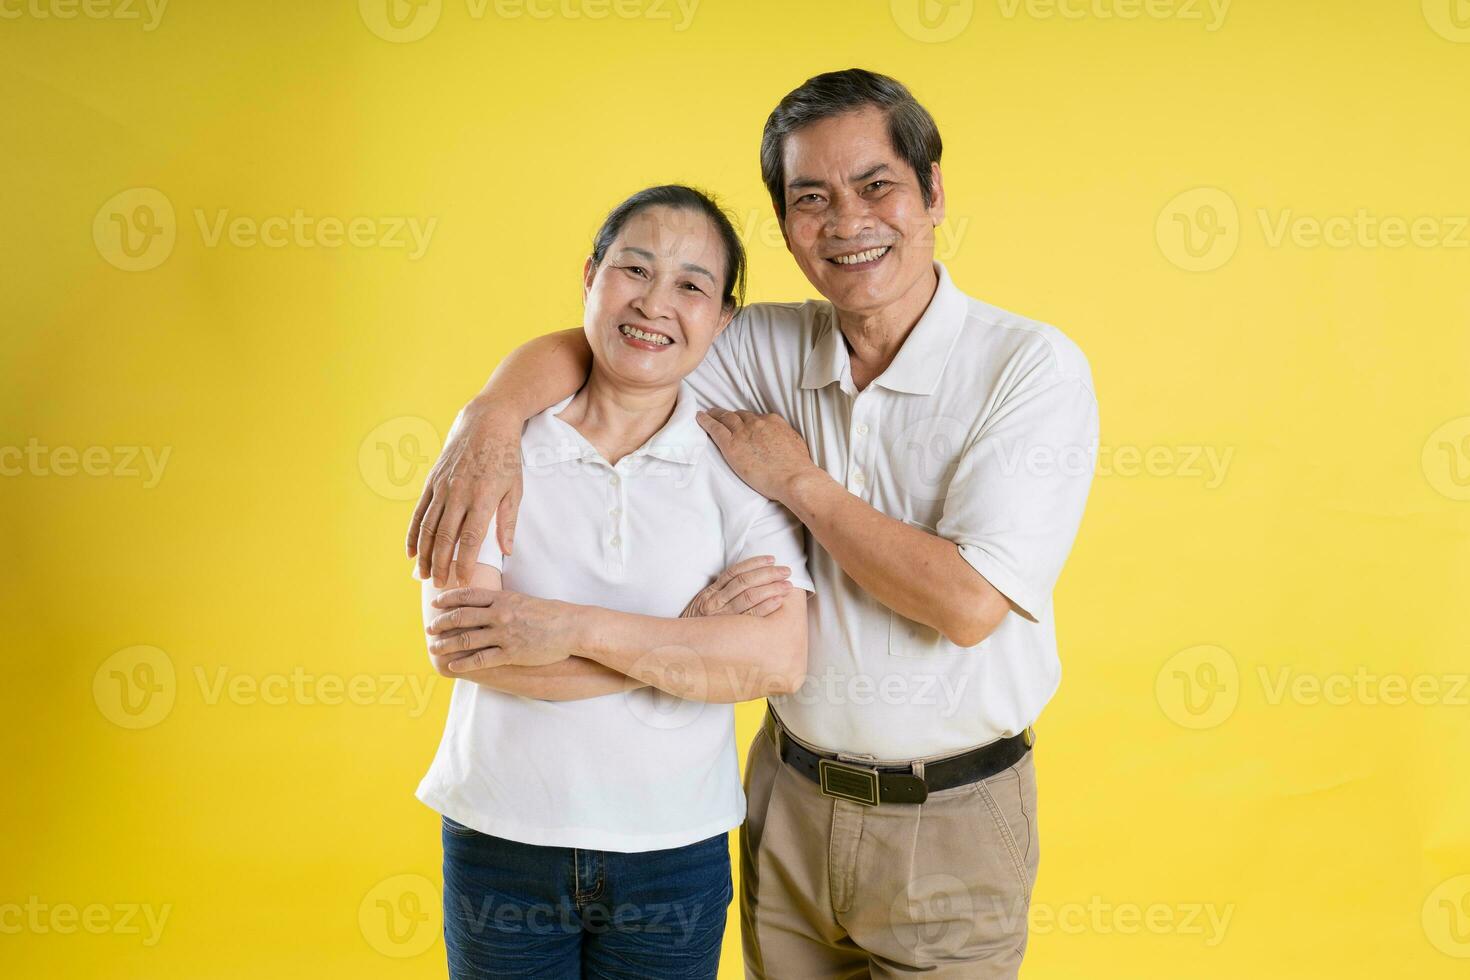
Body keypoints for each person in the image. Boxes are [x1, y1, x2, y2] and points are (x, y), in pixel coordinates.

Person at [411, 70, 1099, 979]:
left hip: (951, 811)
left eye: (877, 185)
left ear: (933, 192)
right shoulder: (764, 345)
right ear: (786, 226)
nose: (847, 221)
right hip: (789, 797)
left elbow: (968, 605)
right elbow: (619, 335)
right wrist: (490, 416)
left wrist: (800, 484)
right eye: (811, 198)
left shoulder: (1028, 367)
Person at [415, 184, 814, 980]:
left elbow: (775, 663)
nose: (655, 303)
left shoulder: (736, 462)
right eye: (635, 270)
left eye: (692, 285)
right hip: (502, 839)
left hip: (674, 853)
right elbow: (465, 648)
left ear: (723, 319)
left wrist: (564, 629)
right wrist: (685, 650)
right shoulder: (497, 449)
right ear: (592, 276)